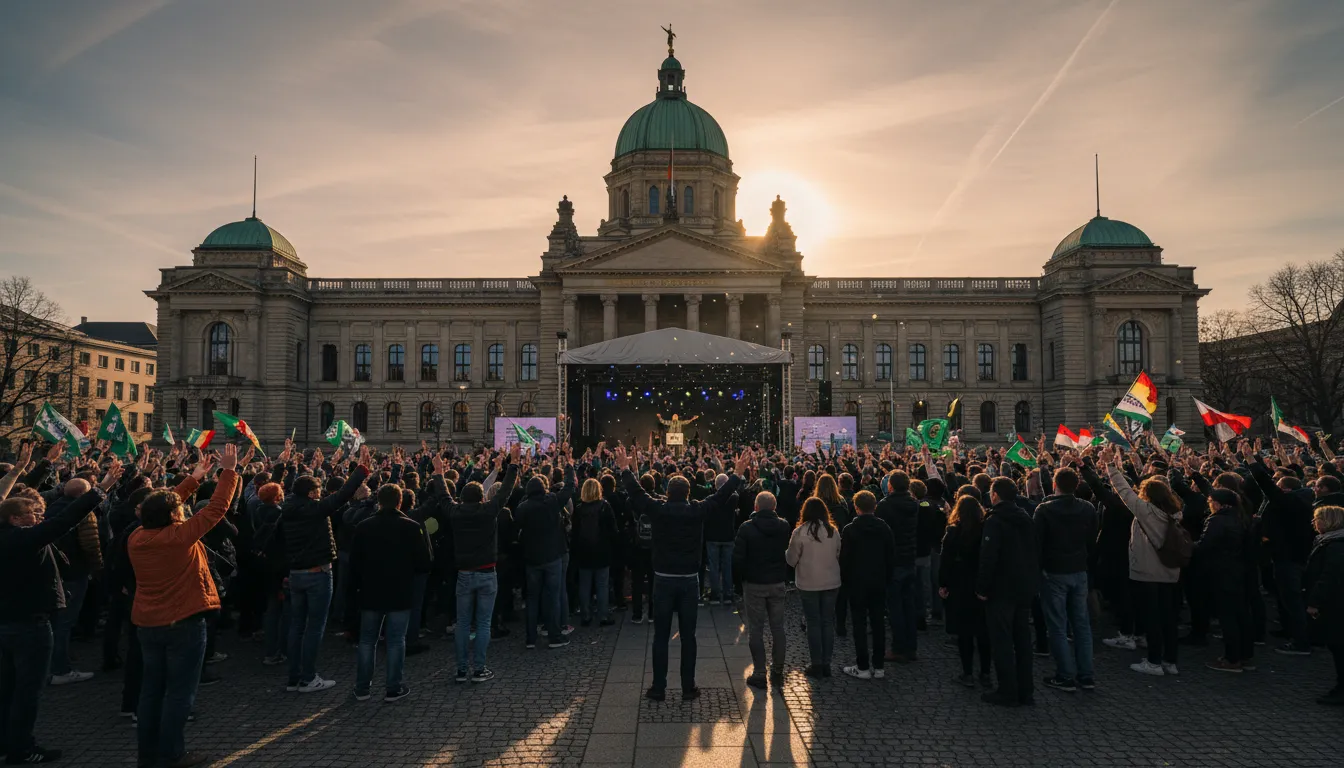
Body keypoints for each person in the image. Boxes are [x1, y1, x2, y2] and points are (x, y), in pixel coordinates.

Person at [0, 446, 119, 765]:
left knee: (7, 688)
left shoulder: (7, 533)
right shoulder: (23, 539)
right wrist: (100, 490)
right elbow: (64, 520)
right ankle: (22, 748)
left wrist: (24, 470)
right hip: (29, 623)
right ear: (15, 519)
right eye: (32, 514)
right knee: (27, 690)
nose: (39, 518)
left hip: (5, 622)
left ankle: (5, 742)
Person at [129, 444, 241, 768]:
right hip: (183, 622)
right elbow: (217, 508)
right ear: (173, 516)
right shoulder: (179, 536)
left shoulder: (137, 537)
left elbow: (158, 509)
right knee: (179, 692)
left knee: (151, 691)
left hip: (148, 623)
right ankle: (172, 754)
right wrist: (229, 471)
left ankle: (148, 754)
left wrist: (193, 479)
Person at [616, 446, 745, 702]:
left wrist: (624, 469)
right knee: (688, 637)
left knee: (661, 636)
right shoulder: (696, 510)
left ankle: (658, 687)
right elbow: (720, 497)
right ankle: (688, 687)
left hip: (663, 579)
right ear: (688, 493)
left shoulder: (658, 509)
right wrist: (737, 473)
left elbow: (637, 494)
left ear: (667, 492)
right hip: (688, 580)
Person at [280, 448, 371, 693]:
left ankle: (294, 677)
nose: (321, 494)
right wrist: (361, 471)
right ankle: (308, 678)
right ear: (311, 493)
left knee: (297, 626)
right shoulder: (313, 509)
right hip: (317, 573)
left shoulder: (287, 508)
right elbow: (341, 496)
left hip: (296, 573)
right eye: (318, 491)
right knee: (314, 627)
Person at [348, 483, 432, 701]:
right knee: (396, 640)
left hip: (370, 590)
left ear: (379, 501)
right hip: (400, 590)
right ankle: (393, 687)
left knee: (368, 640)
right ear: (399, 501)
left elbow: (354, 563)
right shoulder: (411, 527)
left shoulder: (364, 526)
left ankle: (362, 687)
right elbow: (424, 563)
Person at [443, 445, 519, 682]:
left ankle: (461, 669)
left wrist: (437, 474)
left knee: (463, 623)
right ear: (482, 497)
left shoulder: (455, 512)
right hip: (487, 572)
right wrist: (513, 464)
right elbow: (505, 491)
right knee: (484, 623)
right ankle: (479, 668)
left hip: (464, 573)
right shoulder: (489, 511)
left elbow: (443, 496)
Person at [1105, 449, 1183, 676]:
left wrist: (1111, 466)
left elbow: (1123, 490)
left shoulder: (1146, 511)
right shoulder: (1175, 512)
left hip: (1147, 572)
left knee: (1152, 619)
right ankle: (1170, 662)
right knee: (1168, 619)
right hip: (1170, 571)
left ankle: (1154, 662)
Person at [1033, 466, 1098, 692]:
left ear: (1055, 485)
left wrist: (1038, 571)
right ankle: (1086, 675)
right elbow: (1092, 540)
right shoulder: (1088, 508)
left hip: (1053, 572)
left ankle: (1065, 675)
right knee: (1081, 625)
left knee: (1057, 626)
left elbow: (1036, 544)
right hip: (1079, 570)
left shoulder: (1044, 510)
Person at [977, 477, 1039, 707]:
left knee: (1002, 640)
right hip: (1024, 587)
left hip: (1001, 588)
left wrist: (982, 588)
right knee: (1022, 640)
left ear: (994, 495)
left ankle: (1007, 690)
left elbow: (988, 557)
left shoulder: (994, 521)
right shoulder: (1026, 518)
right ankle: (1026, 690)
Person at [515, 445, 575, 650]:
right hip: (552, 556)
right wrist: (569, 465)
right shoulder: (551, 502)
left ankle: (530, 638)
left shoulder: (522, 508)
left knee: (532, 599)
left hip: (532, 558)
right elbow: (569, 487)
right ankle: (554, 636)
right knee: (553, 596)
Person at [733, 490, 791, 690]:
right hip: (777, 582)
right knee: (778, 628)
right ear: (774, 507)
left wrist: (738, 583)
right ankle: (778, 669)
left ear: (755, 507)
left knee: (756, 629)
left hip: (754, 583)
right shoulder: (784, 526)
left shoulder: (746, 528)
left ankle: (759, 672)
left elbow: (738, 559)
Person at [840, 490, 895, 680]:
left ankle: (862, 666)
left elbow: (844, 560)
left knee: (859, 624)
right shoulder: (884, 528)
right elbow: (890, 556)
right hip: (879, 581)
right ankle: (879, 666)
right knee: (878, 623)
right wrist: (887, 578)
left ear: (856, 508)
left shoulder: (850, 530)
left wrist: (846, 581)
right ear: (875, 507)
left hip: (857, 582)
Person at [939, 494, 991, 688]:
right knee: (983, 632)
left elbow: (946, 560)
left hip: (960, 584)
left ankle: (967, 673)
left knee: (964, 632)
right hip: (980, 583)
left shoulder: (954, 532)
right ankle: (985, 672)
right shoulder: (985, 529)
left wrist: (943, 583)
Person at [1198, 489, 1254, 673]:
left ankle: (1232, 658)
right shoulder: (1241, 518)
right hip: (1239, 571)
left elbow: (1205, 545)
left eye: (1210, 501)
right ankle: (1245, 654)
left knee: (1227, 617)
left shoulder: (1217, 521)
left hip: (1221, 572)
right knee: (1241, 614)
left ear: (1218, 503)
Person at [786, 496, 841, 678]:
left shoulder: (800, 532)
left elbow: (791, 559)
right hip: (831, 581)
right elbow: (838, 552)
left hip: (808, 582)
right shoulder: (833, 531)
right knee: (827, 621)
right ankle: (826, 663)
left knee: (813, 622)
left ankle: (816, 662)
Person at [875, 470, 919, 664]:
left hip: (893, 561)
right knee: (909, 605)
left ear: (890, 486)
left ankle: (898, 648)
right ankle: (911, 647)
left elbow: (880, 534)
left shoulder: (885, 506)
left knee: (895, 608)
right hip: (910, 558)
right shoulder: (914, 504)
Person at [1304, 505, 1344, 705]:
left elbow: (1328, 577)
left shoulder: (1334, 546)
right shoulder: (1331, 542)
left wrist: (1314, 601)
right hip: (1335, 601)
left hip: (1335, 603)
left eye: (1317, 519)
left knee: (1338, 645)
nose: (1314, 523)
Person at [571, 477, 619, 628]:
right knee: (602, 585)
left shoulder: (579, 509)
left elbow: (574, 532)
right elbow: (613, 530)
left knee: (584, 585)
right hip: (602, 551)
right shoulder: (605, 507)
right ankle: (603, 615)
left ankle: (586, 615)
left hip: (584, 552)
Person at [702, 474, 738, 606]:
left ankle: (715, 595)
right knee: (727, 566)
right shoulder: (734, 498)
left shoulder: (711, 499)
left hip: (712, 536)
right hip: (728, 536)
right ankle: (728, 594)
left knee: (714, 567)